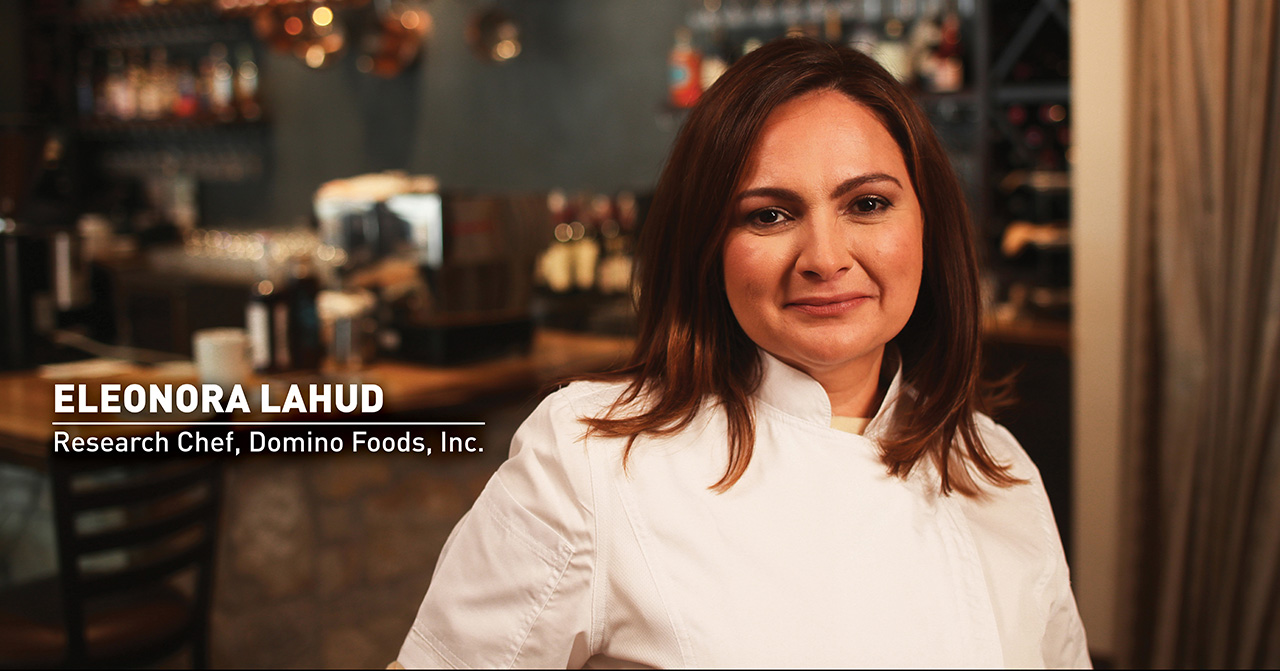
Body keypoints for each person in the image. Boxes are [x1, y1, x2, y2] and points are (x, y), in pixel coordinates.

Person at [395, 37, 1090, 668]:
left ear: (928, 224)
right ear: (707, 248)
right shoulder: (592, 457)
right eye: (769, 215)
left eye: (868, 204)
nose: (825, 258)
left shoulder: (998, 466)